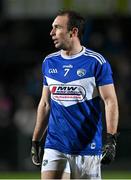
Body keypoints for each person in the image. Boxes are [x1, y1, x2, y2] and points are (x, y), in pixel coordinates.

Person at [31, 10, 119, 179]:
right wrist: (36, 140)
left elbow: (110, 102)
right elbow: (45, 104)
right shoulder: (49, 62)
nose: (51, 33)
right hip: (55, 143)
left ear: (74, 31)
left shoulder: (96, 62)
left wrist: (111, 140)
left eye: (57, 28)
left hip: (86, 146)